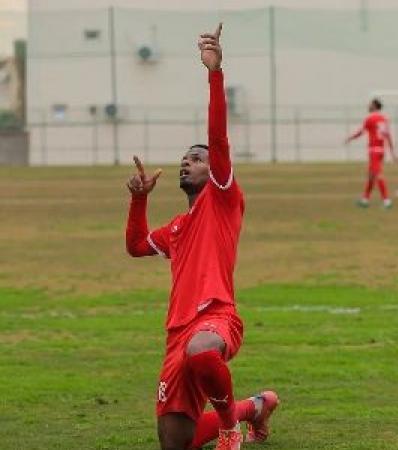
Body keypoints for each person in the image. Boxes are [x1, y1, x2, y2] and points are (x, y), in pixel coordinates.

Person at [125, 23, 278, 450]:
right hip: (176, 334)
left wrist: (214, 74)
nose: (186, 162)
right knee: (176, 444)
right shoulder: (177, 227)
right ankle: (255, 406)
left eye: (196, 159)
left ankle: (230, 425)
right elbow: (136, 246)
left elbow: (217, 138)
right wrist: (139, 201)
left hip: (216, 317)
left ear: (214, 170)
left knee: (203, 349)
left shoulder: (223, 198)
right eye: (184, 159)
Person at [345, 98, 398, 209]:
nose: (368, 106)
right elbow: (388, 136)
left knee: (377, 175)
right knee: (371, 176)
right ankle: (365, 199)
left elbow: (361, 132)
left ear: (374, 106)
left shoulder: (370, 119)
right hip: (381, 151)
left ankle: (387, 201)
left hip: (374, 150)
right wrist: (392, 153)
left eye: (370, 104)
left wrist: (350, 138)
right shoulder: (384, 119)